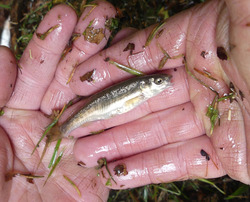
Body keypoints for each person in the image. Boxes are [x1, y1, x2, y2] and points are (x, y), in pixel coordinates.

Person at [0, 0, 249, 201]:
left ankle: (63, 129)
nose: (164, 83)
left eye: (159, 82)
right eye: (158, 83)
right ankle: (63, 129)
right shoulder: (143, 88)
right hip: (96, 109)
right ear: (148, 85)